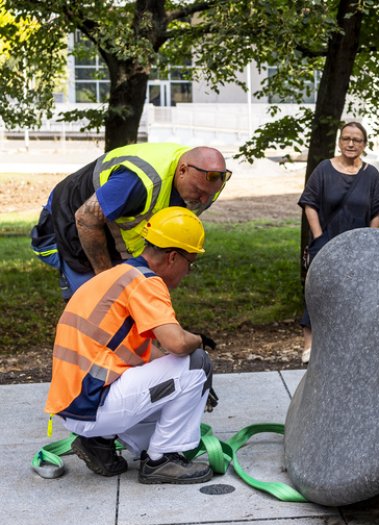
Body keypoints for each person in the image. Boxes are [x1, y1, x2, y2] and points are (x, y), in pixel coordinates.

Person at [44, 207, 214, 484]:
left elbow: (150, 356)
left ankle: (98, 443)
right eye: (189, 263)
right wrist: (199, 341)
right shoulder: (146, 282)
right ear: (173, 257)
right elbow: (178, 343)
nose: (187, 272)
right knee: (197, 363)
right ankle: (164, 459)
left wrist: (192, 388)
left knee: (181, 382)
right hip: (94, 404)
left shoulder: (116, 276)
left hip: (77, 404)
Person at [31, 143, 230, 300]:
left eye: (209, 195)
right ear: (182, 171)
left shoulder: (209, 183)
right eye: (198, 191)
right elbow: (85, 219)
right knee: (101, 305)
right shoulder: (138, 182)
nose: (204, 200)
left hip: (113, 236)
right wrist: (106, 279)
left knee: (133, 303)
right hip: (69, 226)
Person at [297, 122, 379, 363]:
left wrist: (370, 242)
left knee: (356, 293)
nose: (351, 144)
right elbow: (309, 204)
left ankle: (350, 345)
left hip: (358, 245)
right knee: (318, 290)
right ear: (339, 141)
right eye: (346, 138)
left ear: (364, 145)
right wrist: (318, 239)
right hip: (326, 240)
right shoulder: (323, 170)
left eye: (357, 140)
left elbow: (377, 212)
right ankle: (310, 343)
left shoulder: (371, 175)